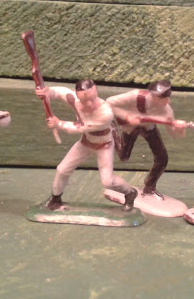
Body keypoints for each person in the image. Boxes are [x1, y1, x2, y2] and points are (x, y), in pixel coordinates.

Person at [36, 79, 138, 211]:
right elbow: (61, 92)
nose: (89, 104)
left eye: (92, 99)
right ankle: (55, 199)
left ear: (96, 92)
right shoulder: (75, 100)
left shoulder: (105, 113)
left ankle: (130, 193)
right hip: (86, 142)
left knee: (107, 181)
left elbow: (81, 127)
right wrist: (47, 92)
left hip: (104, 145)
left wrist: (59, 124)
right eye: (84, 100)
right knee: (62, 170)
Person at [106, 80, 187, 198]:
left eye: (168, 97)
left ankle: (149, 187)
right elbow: (109, 102)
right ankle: (113, 131)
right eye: (163, 98)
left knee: (162, 159)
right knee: (124, 156)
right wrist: (127, 117)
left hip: (149, 129)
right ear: (153, 95)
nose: (168, 101)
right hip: (130, 127)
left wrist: (180, 130)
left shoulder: (167, 111)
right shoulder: (135, 96)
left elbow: (175, 135)